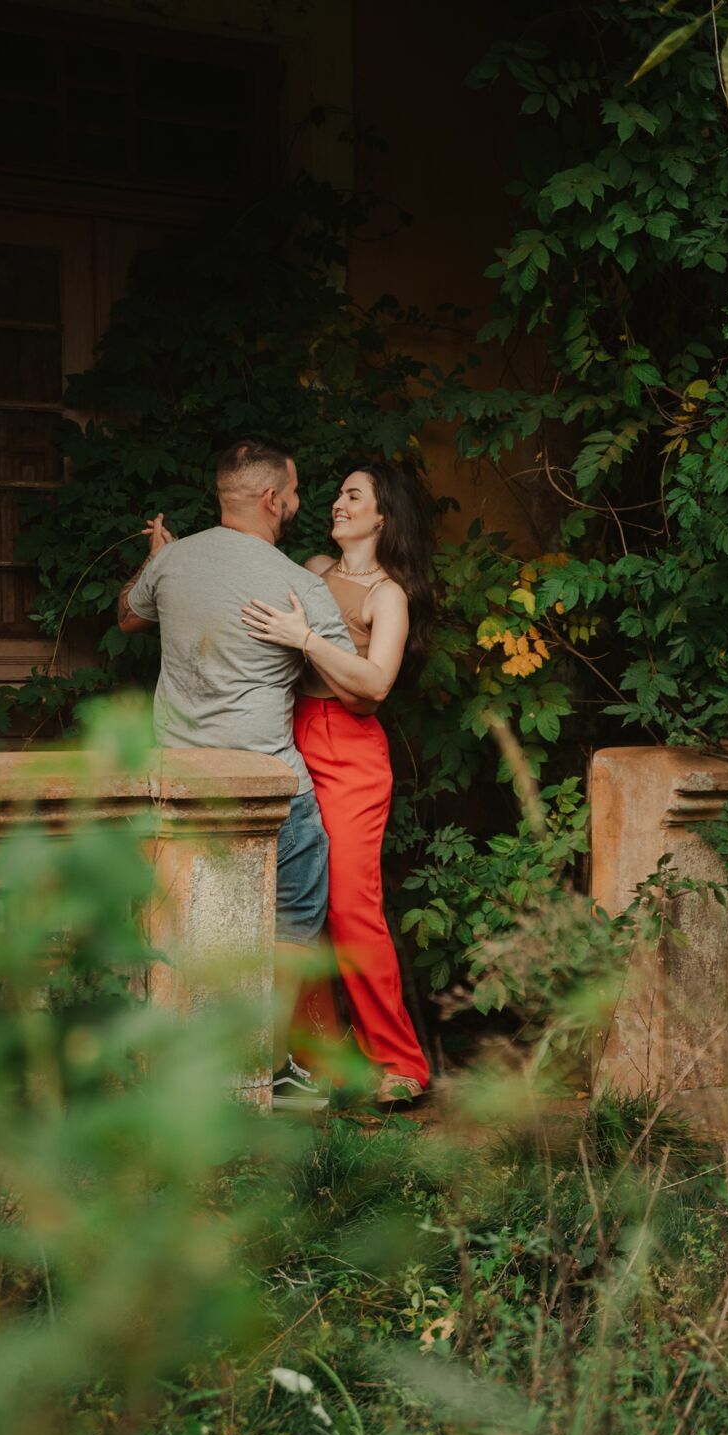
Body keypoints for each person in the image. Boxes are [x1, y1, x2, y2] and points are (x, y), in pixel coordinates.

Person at [118, 439, 359, 1109]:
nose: (301, 502)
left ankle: (171, 1070)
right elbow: (350, 689)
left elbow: (127, 616)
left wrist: (156, 558)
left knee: (175, 924)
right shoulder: (298, 584)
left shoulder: (171, 563)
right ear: (271, 499)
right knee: (293, 919)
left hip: (177, 783)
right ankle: (268, 1068)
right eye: (296, 490)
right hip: (271, 789)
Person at [241, 462, 436, 1105]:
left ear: (382, 516)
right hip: (289, 734)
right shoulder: (316, 569)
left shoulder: (389, 595)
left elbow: (374, 686)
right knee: (298, 901)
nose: (338, 502)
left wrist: (306, 639)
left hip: (349, 749)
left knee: (351, 908)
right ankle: (319, 1065)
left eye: (355, 495)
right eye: (338, 493)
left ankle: (401, 1063)